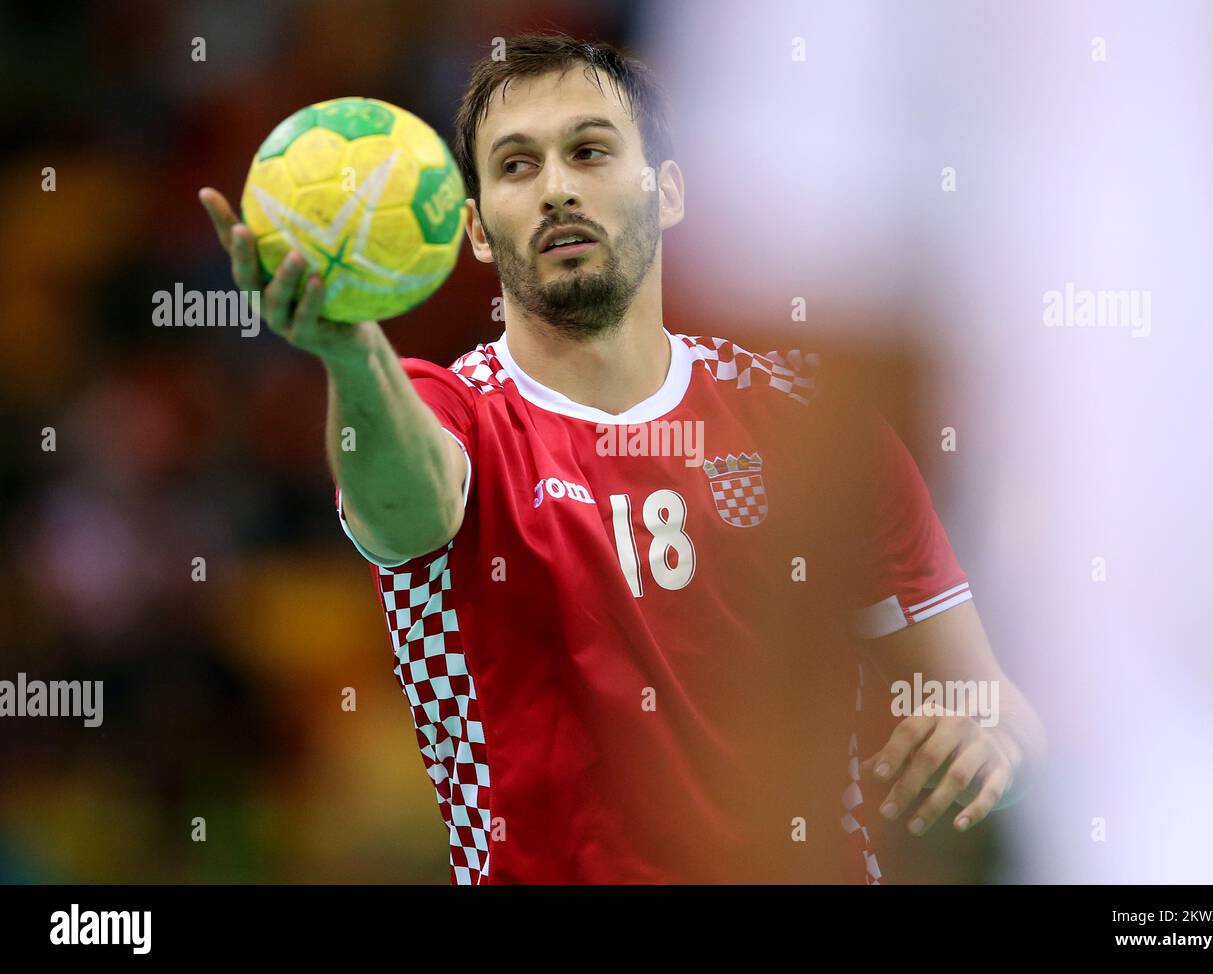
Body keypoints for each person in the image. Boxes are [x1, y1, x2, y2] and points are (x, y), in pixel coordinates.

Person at [199, 31, 1046, 885]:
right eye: (517, 167)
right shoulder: (445, 414)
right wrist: (352, 354)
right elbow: (400, 508)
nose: (557, 188)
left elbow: (994, 705)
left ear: (669, 191)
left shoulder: (806, 423)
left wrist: (988, 742)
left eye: (590, 152)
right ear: (478, 233)